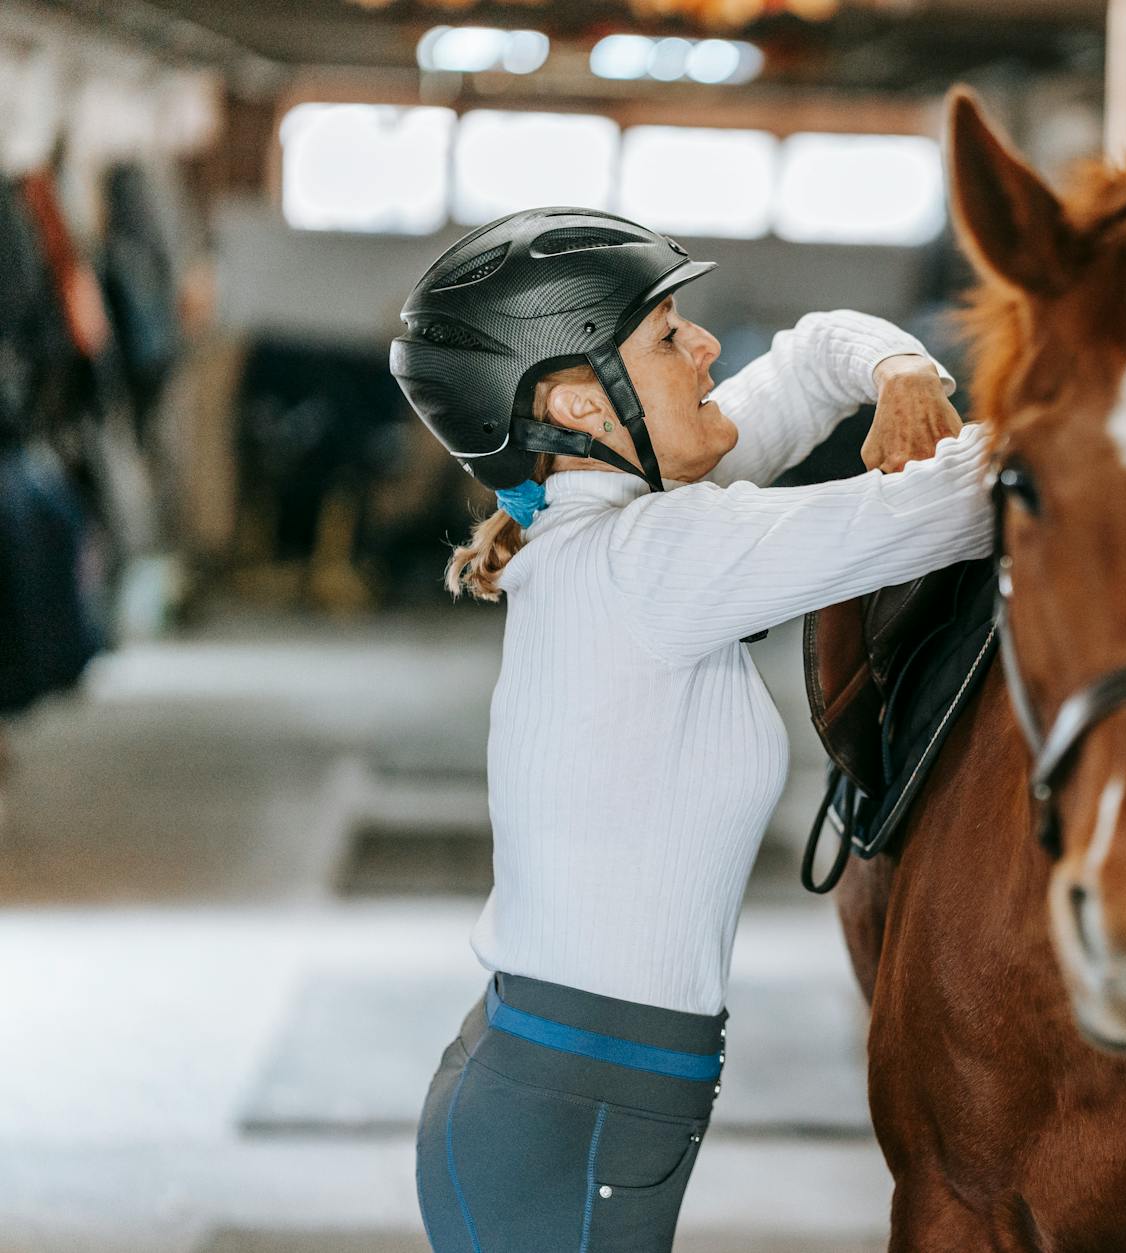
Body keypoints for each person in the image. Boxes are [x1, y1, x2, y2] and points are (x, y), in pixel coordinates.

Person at [390, 207, 992, 1252]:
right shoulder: (651, 556)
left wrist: (901, 368)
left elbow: (808, 358)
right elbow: (971, 499)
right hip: (570, 1116)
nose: (708, 344)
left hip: (569, 1092)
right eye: (669, 337)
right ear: (581, 400)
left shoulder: (610, 508)